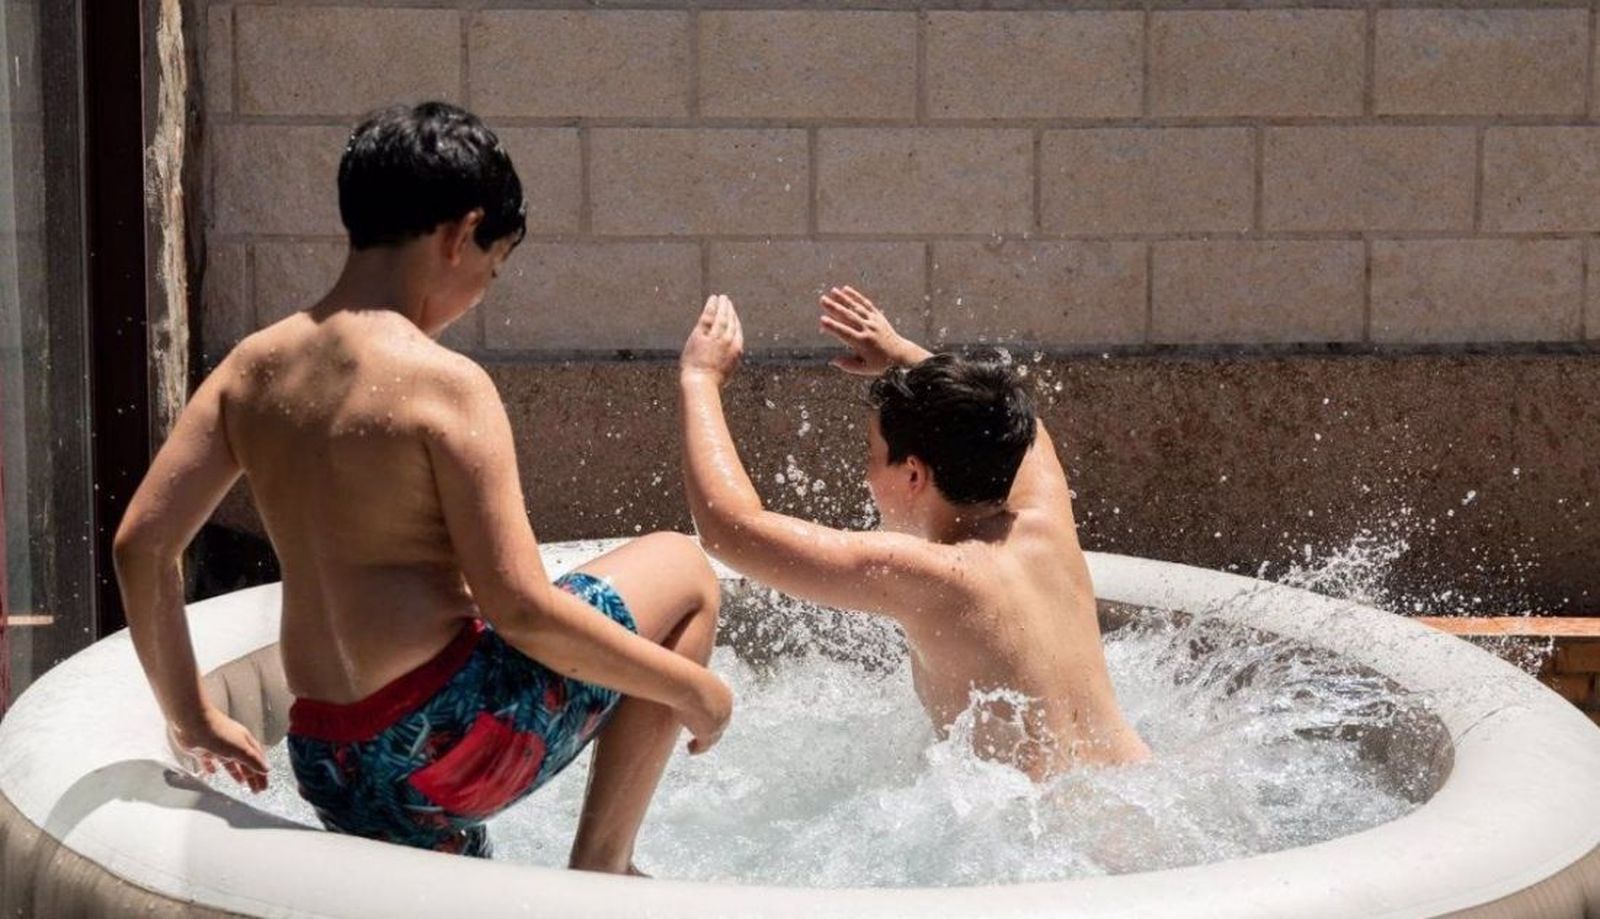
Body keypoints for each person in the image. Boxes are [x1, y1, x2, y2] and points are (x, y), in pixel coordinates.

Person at [112, 102, 731, 869]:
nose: (480, 293)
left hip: (331, 761)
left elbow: (141, 546)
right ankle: (603, 866)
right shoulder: (445, 386)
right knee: (685, 568)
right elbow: (521, 608)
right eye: (490, 270)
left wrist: (193, 715)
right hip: (449, 743)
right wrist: (693, 689)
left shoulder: (250, 370)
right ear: (460, 235)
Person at [678, 288, 1148, 779]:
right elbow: (1011, 423)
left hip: (1042, 819)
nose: (866, 476)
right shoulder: (1044, 516)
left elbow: (731, 530)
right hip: (1131, 783)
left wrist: (699, 378)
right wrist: (901, 354)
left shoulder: (937, 577)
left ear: (913, 475)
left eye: (872, 456)